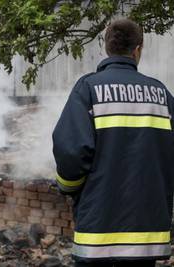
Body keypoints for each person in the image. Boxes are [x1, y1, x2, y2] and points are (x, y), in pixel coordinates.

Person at [52, 19, 174, 267]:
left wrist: (69, 188)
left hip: (98, 233)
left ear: (105, 46)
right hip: (146, 237)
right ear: (138, 49)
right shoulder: (161, 95)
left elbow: (71, 152)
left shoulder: (88, 88)